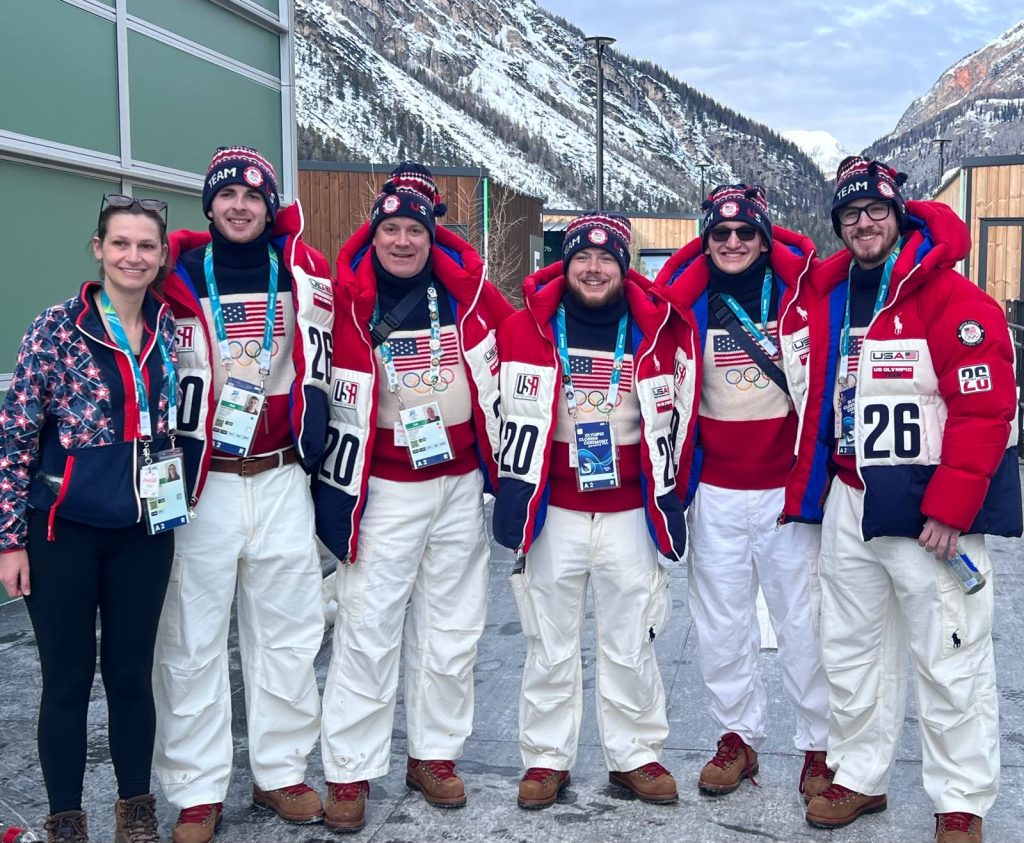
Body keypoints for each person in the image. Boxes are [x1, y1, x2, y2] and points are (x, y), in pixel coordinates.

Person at [801, 157, 1021, 843]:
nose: (863, 222)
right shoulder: (833, 293)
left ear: (899, 215)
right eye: (849, 213)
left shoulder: (954, 299)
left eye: (875, 210)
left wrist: (954, 504)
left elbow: (987, 405)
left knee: (950, 649)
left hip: (931, 513)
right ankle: (859, 776)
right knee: (850, 648)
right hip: (852, 495)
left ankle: (960, 799)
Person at [313, 162, 512, 832]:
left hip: (458, 485)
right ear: (375, 232)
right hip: (385, 487)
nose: (401, 240)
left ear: (432, 234)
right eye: (390, 228)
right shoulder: (348, 295)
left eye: (414, 229)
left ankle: (434, 754)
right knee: (368, 629)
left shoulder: (469, 292)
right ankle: (348, 768)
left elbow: (528, 339)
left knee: (452, 629)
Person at [152, 146, 335, 843]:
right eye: (227, 195)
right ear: (210, 204)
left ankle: (280, 770)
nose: (239, 206)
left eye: (253, 197)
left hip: (282, 473)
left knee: (288, 632)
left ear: (269, 206)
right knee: (193, 638)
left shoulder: (301, 271)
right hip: (205, 485)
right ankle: (198, 789)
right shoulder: (174, 276)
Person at [492, 212, 693, 809]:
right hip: (555, 510)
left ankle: (636, 755)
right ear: (566, 262)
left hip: (630, 507)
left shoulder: (655, 328)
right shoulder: (524, 327)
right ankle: (547, 759)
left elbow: (685, 407)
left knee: (631, 637)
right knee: (548, 639)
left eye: (607, 259)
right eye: (583, 257)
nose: (595, 268)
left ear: (624, 268)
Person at [0, 194, 178, 842]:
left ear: (161, 257)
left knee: (132, 676)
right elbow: (17, 435)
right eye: (122, 242)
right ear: (98, 249)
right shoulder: (56, 327)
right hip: (63, 532)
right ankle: (66, 821)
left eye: (146, 245)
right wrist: (8, 541)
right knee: (68, 681)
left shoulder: (170, 330)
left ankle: (135, 812)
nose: (134, 255)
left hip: (142, 534)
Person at [652, 185, 832, 800]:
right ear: (706, 241)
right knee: (721, 623)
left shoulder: (800, 296)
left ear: (764, 237)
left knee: (803, 622)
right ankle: (738, 738)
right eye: (721, 235)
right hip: (716, 492)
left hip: (788, 494)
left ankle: (819, 746)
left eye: (746, 234)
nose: (733, 244)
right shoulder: (684, 305)